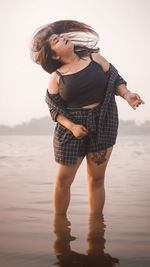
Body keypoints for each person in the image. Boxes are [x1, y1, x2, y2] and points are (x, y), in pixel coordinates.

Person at [30, 19, 145, 216]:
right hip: (70, 133)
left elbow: (115, 79)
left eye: (61, 36)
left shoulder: (94, 58)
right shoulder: (57, 77)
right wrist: (73, 126)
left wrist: (127, 95)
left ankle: (96, 233)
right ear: (55, 55)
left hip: (103, 123)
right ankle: (60, 230)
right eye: (57, 40)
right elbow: (54, 109)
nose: (64, 39)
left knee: (97, 179)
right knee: (63, 181)